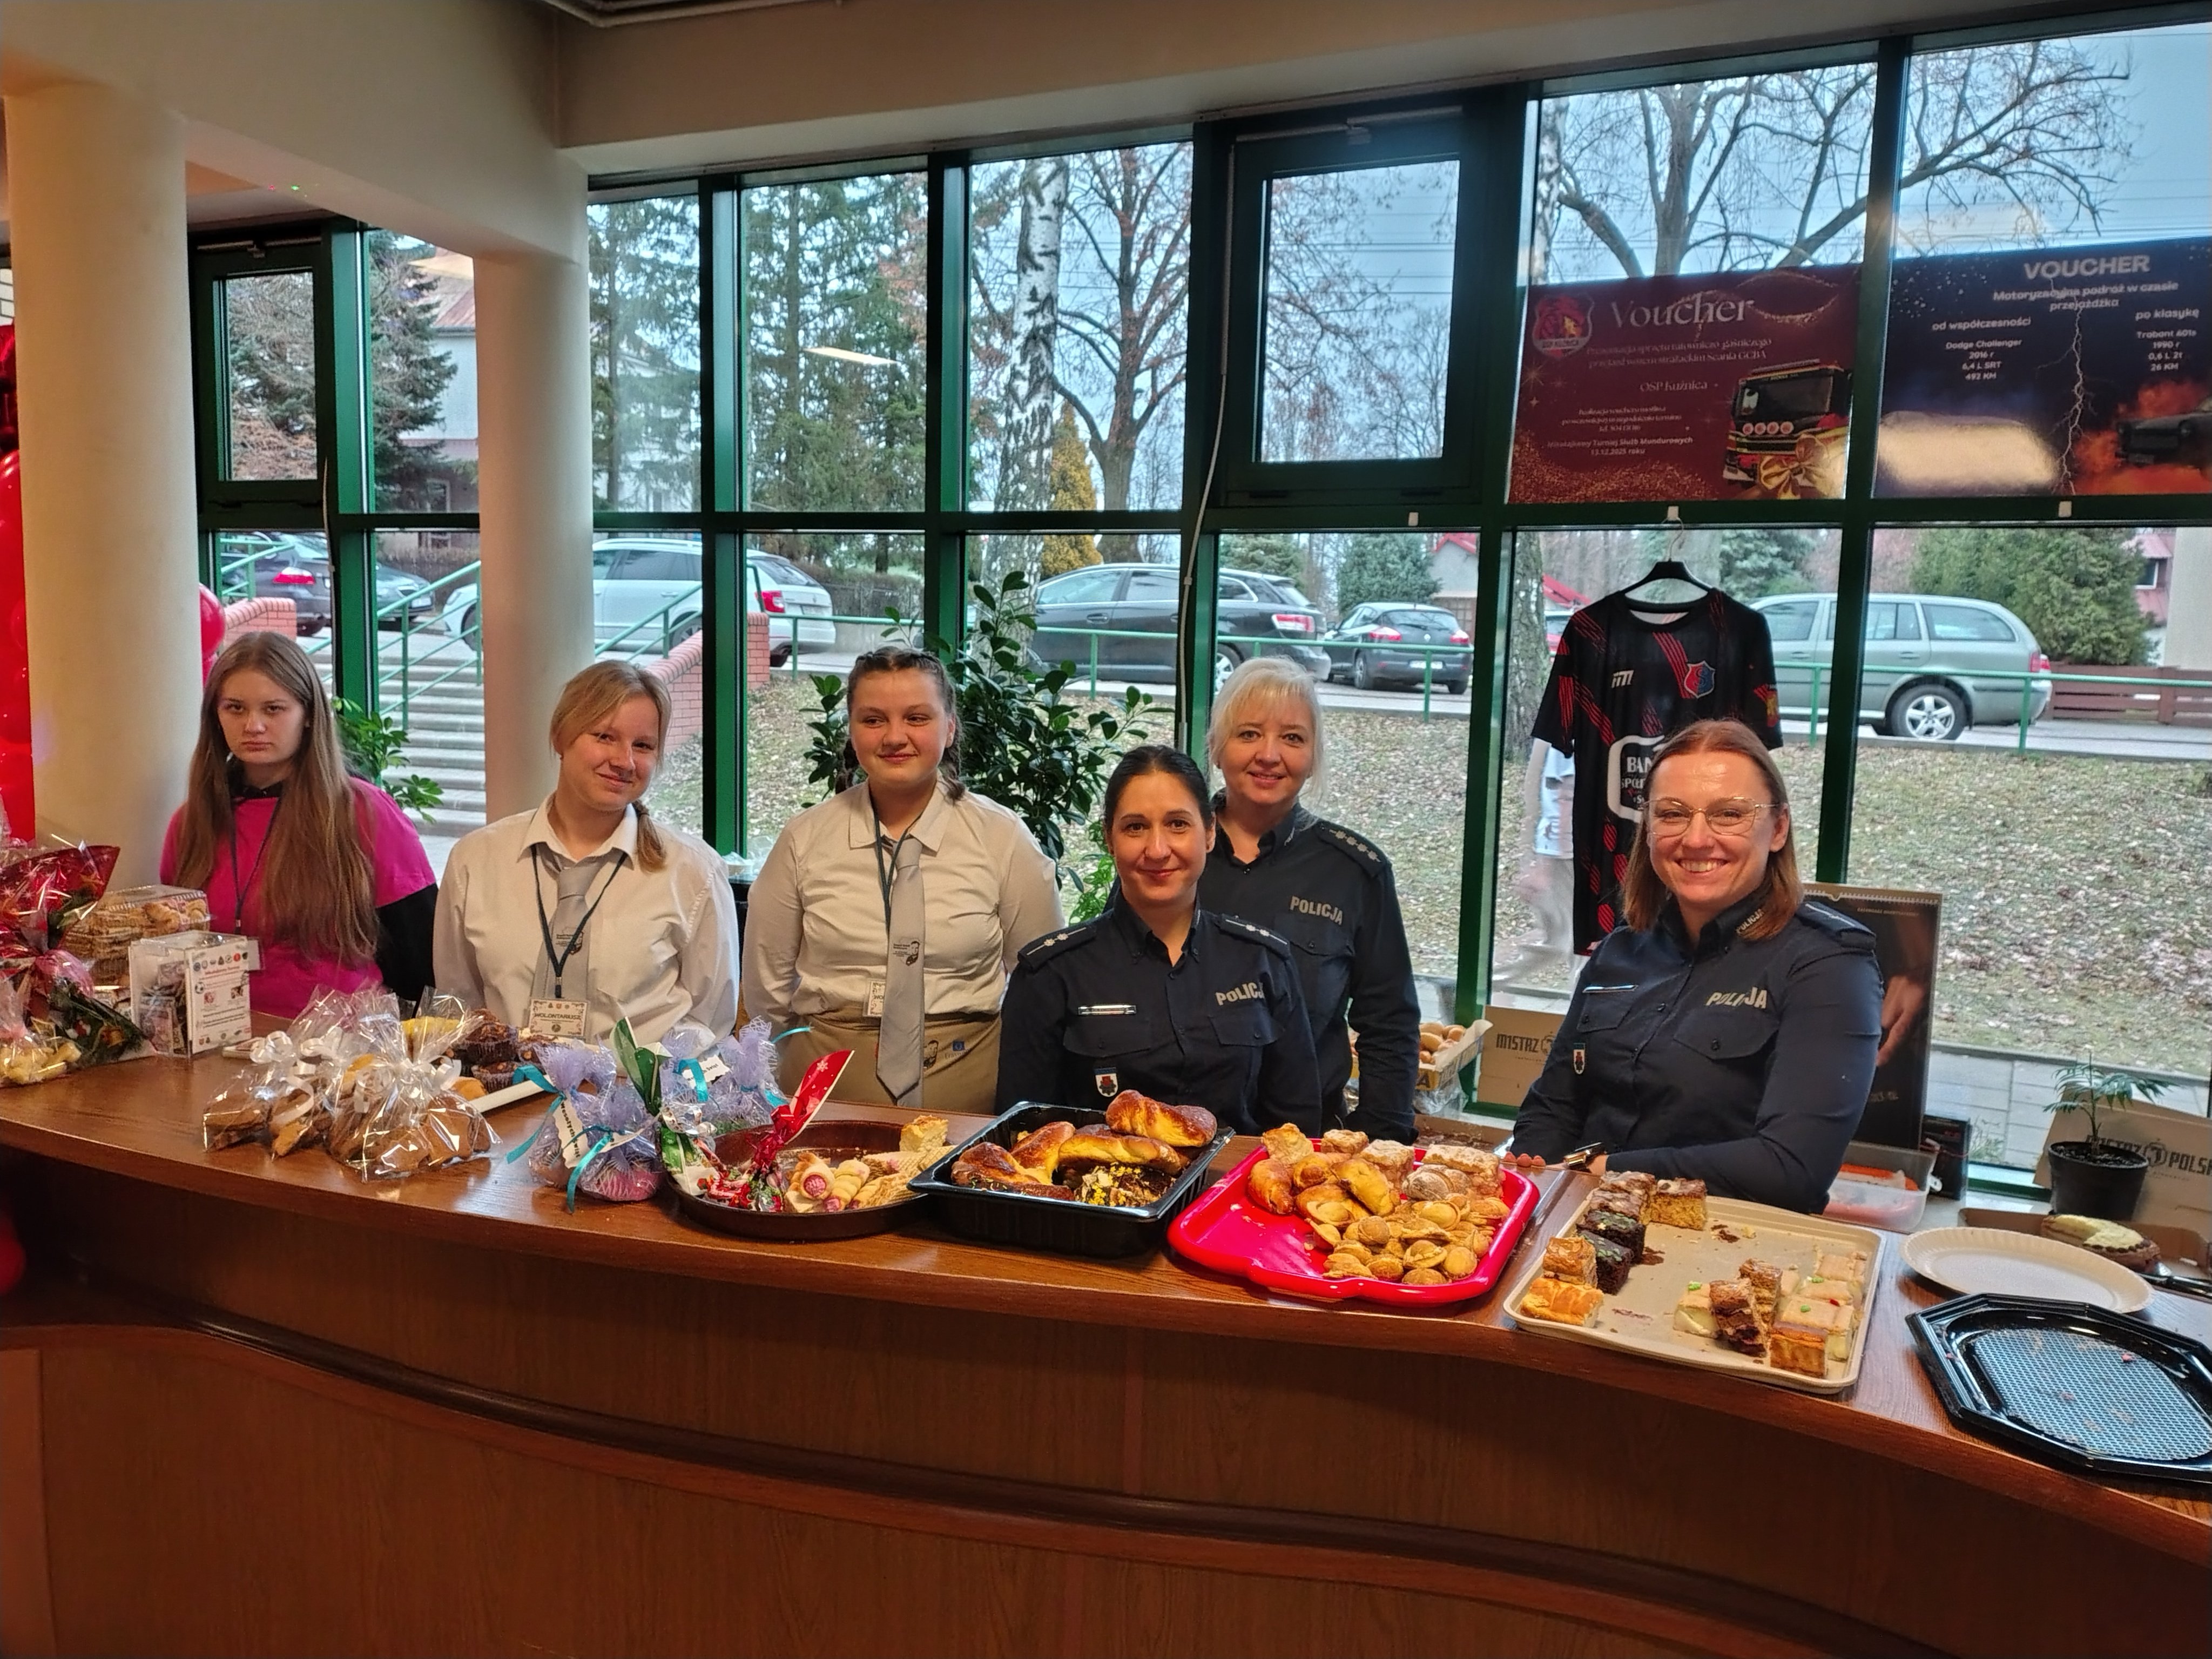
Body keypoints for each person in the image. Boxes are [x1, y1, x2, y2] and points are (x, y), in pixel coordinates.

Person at [1508, 718, 1881, 1212]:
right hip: (1576, 1224)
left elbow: (1791, 1170)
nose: (1697, 839)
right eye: (1672, 814)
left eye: (1729, 814)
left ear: (1778, 828)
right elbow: (1552, 1108)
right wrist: (1534, 1183)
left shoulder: (1828, 966)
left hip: (1722, 1241)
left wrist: (1601, 1173)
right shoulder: (1621, 951)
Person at [741, 645, 1061, 1114]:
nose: (895, 737)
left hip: (970, 1097)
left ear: (949, 728)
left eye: (917, 718)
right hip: (822, 1097)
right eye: (873, 720)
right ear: (852, 731)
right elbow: (766, 990)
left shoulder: (1002, 838)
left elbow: (1042, 984)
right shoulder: (804, 840)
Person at [997, 744, 1322, 1135]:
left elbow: (1296, 1131)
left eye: (1178, 824)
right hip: (1100, 1175)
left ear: (1209, 833)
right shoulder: (1050, 974)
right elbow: (1024, 1135)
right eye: (1135, 827)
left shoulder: (1264, 961)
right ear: (1109, 838)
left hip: (1237, 1175)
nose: (1157, 850)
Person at [434, 660, 738, 1046]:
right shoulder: (476, 861)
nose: (625, 761)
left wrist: (646, 1074)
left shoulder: (693, 872)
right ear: (560, 736)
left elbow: (709, 1021)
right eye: (605, 737)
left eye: (643, 746)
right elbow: (459, 1005)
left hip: (640, 1086)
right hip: (507, 1083)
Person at [1197, 657, 1420, 1137]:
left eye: (1293, 738)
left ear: (1315, 756)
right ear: (1215, 747)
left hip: (1306, 1146)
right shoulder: (1168, 855)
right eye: (1248, 734)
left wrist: (1377, 1141)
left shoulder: (1355, 872)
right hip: (1176, 1140)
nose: (1269, 755)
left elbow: (1390, 1023)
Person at [162, 630, 437, 1019]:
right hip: (220, 1040)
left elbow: (420, 956)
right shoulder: (191, 822)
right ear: (215, 717)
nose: (253, 725)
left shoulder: (363, 811)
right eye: (235, 708)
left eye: (273, 709)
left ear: (308, 715)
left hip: (343, 1044)